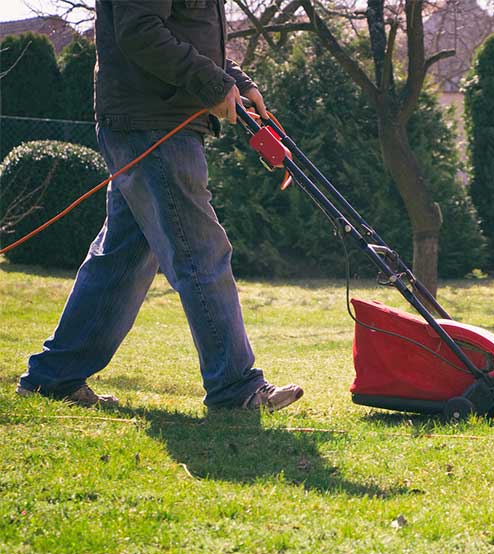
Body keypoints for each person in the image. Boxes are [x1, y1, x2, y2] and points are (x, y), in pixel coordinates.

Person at [16, 0, 302, 412]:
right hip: (152, 124)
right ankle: (236, 387)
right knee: (201, 251)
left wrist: (235, 80)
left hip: (157, 120)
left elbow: (185, 31)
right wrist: (212, 84)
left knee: (123, 258)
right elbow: (140, 32)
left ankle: (54, 377)